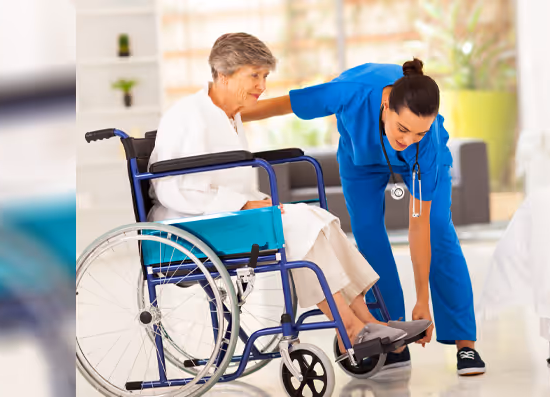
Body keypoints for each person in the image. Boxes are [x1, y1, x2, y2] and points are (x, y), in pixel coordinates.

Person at [145, 33, 428, 352]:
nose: (262, 86)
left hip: (227, 219)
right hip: (192, 225)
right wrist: (244, 203)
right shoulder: (187, 115)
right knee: (298, 225)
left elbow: (231, 180)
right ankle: (349, 326)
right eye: (254, 75)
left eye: (264, 76)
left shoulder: (230, 116)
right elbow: (172, 187)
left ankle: (370, 322)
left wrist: (253, 202)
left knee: (320, 219)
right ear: (223, 75)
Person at [241, 58, 486, 376]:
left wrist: (422, 301)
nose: (408, 138)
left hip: (418, 166)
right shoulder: (350, 91)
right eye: (402, 128)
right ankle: (390, 334)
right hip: (362, 160)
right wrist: (228, 116)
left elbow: (418, 226)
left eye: (418, 132)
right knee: (369, 235)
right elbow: (285, 104)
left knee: (438, 230)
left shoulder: (427, 144)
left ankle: (465, 345)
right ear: (387, 106)